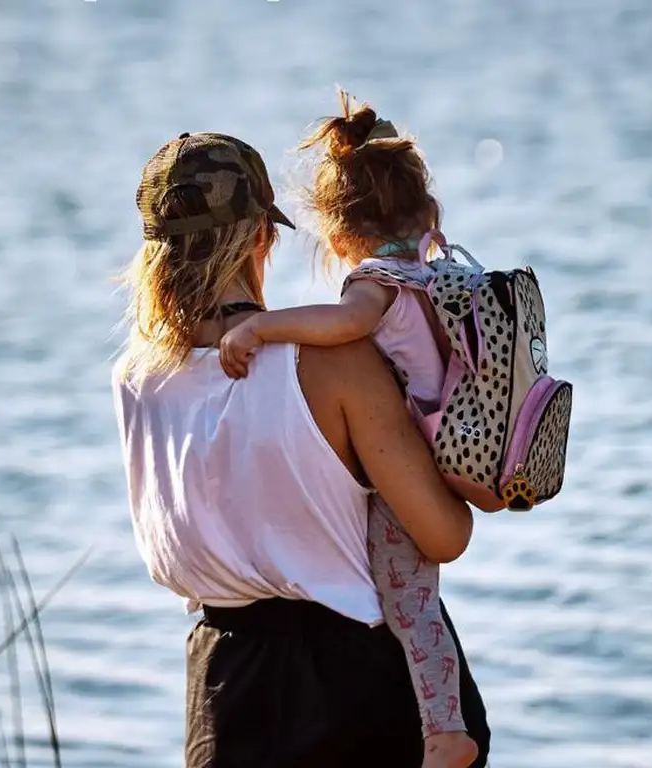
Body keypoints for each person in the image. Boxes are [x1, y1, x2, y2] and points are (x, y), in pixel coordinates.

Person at [113, 130, 490, 767]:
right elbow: (445, 536)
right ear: (261, 237)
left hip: (224, 690)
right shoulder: (334, 362)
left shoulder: (136, 379)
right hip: (364, 690)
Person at [218, 91, 478, 767]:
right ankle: (443, 724)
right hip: (443, 444)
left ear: (336, 239)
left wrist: (262, 326)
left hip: (406, 464)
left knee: (407, 599)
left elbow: (344, 324)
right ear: (429, 212)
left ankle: (445, 732)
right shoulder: (431, 273)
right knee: (417, 594)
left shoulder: (377, 282)